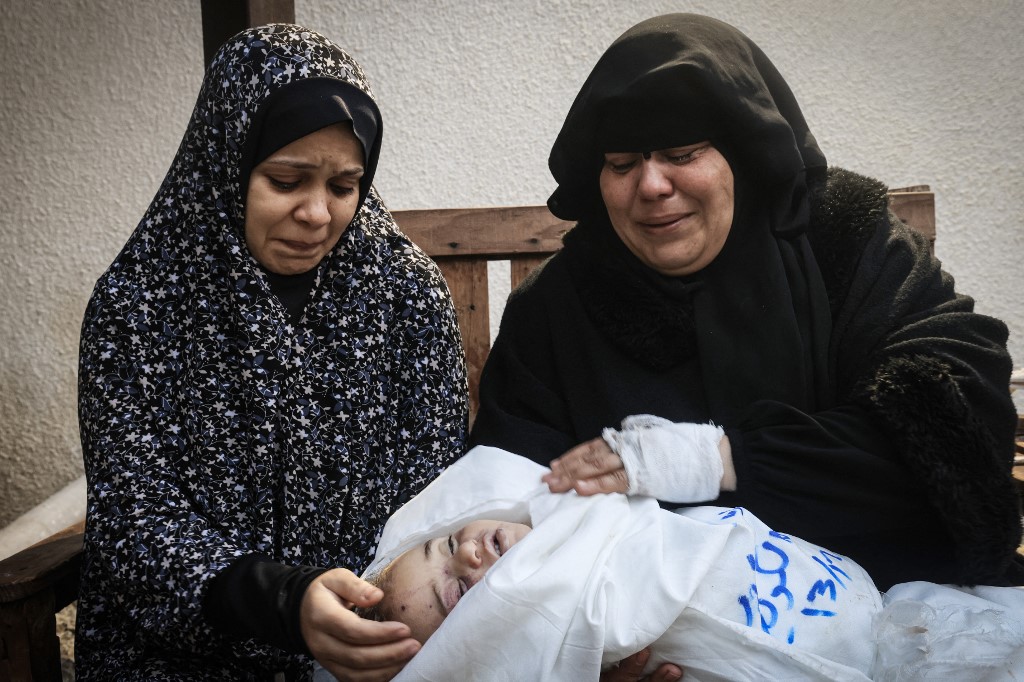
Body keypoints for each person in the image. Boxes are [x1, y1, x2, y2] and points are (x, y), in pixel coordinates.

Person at [469, 13, 1023, 590]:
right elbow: (510, 495)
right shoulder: (557, 308)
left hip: (900, 604)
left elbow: (954, 427)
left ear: (746, 154)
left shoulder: (848, 242)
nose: (651, 185)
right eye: (622, 164)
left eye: (682, 153)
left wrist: (715, 461)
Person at [75, 24, 469, 680]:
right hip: (184, 650)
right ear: (228, 163)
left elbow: (431, 488)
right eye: (286, 180)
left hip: (367, 643)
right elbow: (134, 513)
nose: (317, 213)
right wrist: (280, 602)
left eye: (344, 187)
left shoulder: (403, 291)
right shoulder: (138, 303)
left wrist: (369, 611)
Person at [317, 447, 1024, 681]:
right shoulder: (566, 615)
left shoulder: (569, 505)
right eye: (462, 598)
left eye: (445, 546)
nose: (472, 554)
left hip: (882, 592)